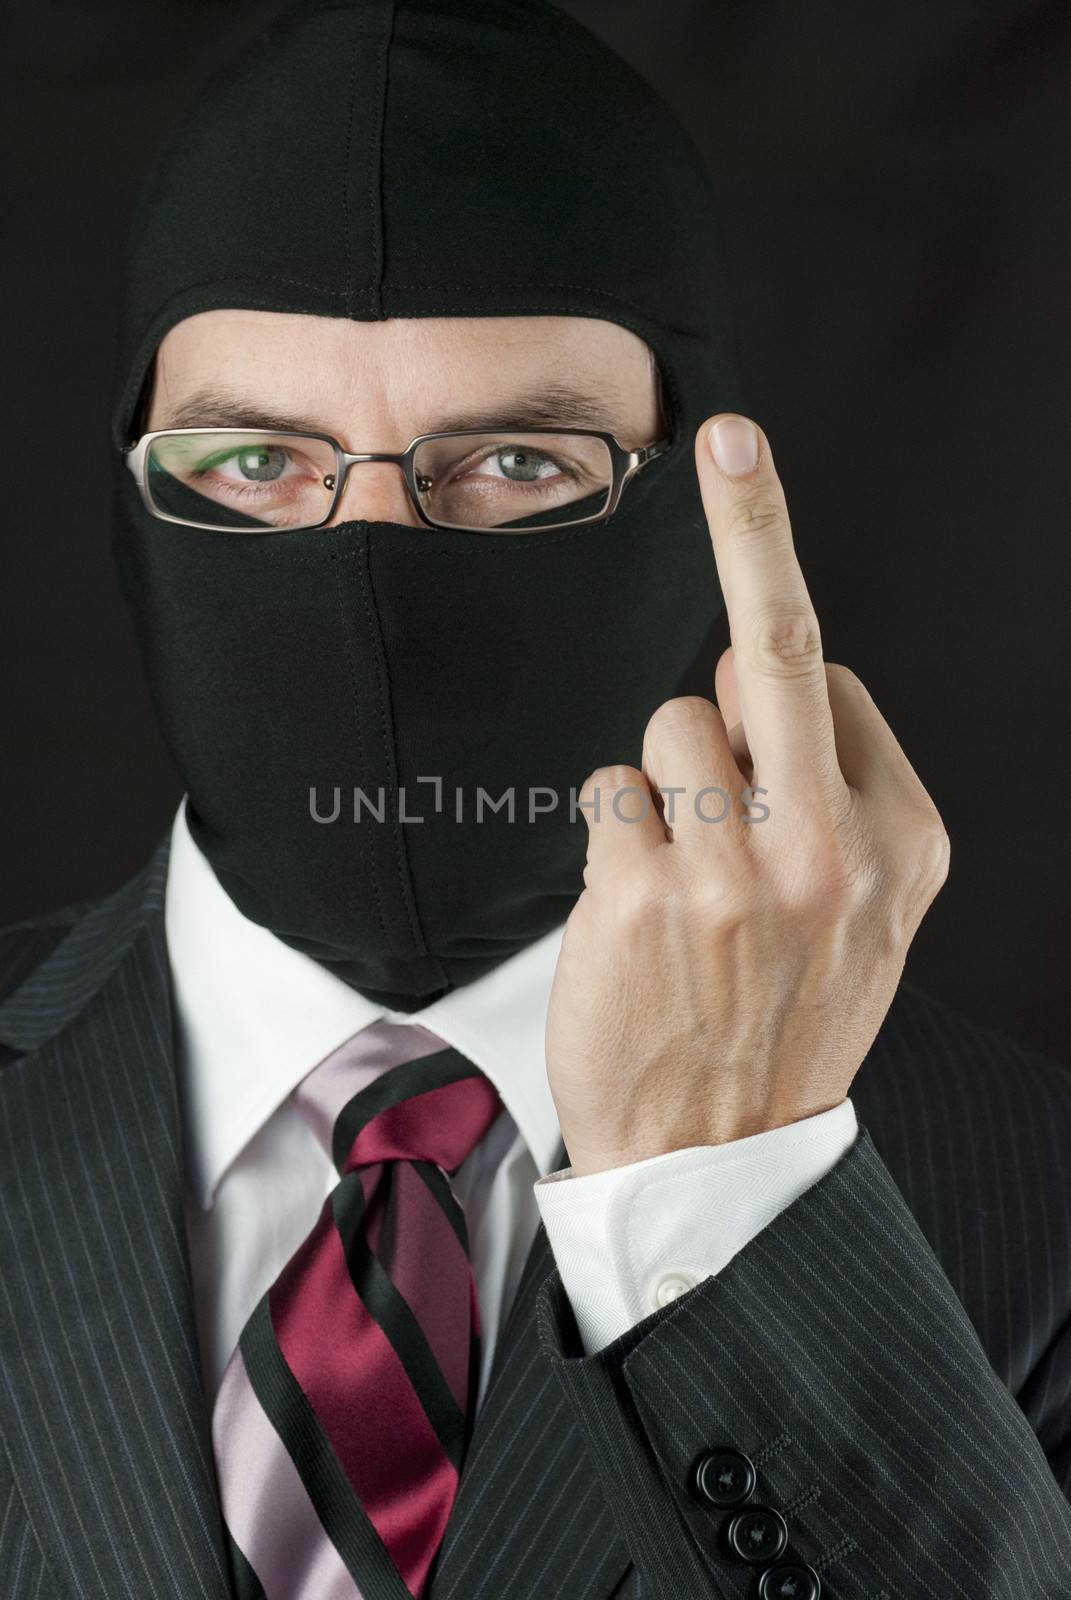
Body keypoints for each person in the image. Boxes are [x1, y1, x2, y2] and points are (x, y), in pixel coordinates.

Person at [1, 1, 1068, 1597]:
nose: (365, 571)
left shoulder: (1043, 1210)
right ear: (134, 490)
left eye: (515, 465)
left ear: (706, 501)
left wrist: (727, 1195)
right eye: (249, 466)